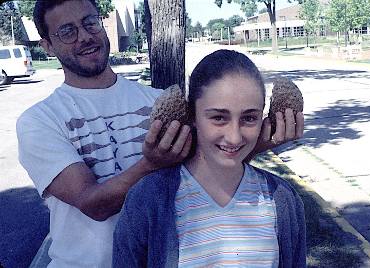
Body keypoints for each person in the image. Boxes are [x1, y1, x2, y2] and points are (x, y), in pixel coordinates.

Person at [17, 1, 303, 267]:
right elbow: (94, 204)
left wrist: (259, 141)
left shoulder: (161, 101)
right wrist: (150, 165)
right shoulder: (40, 120)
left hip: (169, 255)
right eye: (67, 31)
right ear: (48, 45)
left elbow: (208, 167)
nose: (84, 36)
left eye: (90, 22)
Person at [113, 49, 306, 267]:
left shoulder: (282, 199)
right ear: (192, 116)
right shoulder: (148, 198)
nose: (234, 137)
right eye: (218, 117)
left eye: (249, 118)